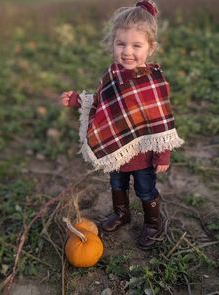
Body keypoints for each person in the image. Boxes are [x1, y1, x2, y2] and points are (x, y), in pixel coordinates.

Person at [59, 0, 184, 249]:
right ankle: (121, 213)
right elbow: (100, 103)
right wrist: (77, 100)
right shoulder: (112, 76)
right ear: (113, 44)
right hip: (117, 151)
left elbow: (161, 122)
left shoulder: (153, 81)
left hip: (144, 155)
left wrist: (163, 154)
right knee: (117, 184)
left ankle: (152, 223)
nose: (127, 51)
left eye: (136, 45)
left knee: (145, 189)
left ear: (150, 48)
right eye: (121, 44)